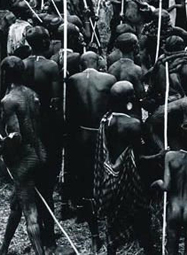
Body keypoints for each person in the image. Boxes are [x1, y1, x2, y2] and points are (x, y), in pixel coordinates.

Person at [0, 57, 47, 255]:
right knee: (18, 203)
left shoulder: (9, 101)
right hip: (39, 153)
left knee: (30, 212)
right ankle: (4, 247)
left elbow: (16, 136)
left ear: (5, 75)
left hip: (25, 159)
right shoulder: (33, 94)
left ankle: (39, 252)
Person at [64, 51, 117, 251]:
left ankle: (94, 234)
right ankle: (107, 232)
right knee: (108, 176)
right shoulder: (109, 78)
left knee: (85, 182)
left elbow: (69, 112)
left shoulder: (72, 80)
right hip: (102, 134)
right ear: (98, 63)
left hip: (80, 135)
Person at [93, 81, 153, 255]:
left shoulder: (107, 119)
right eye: (132, 95)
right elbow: (140, 157)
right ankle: (148, 248)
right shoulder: (133, 124)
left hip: (111, 176)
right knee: (141, 214)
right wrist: (160, 155)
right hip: (129, 178)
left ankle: (112, 249)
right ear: (129, 100)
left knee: (114, 217)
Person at [21, 26, 62, 250]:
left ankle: (40, 233)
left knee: (32, 180)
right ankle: (48, 233)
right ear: (45, 42)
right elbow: (56, 103)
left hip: (27, 126)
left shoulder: (22, 65)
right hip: (47, 128)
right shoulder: (51, 66)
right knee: (48, 181)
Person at [152, 122, 187, 255]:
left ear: (179, 138)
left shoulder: (170, 156)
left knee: (172, 249)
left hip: (174, 209)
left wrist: (156, 183)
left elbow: (166, 186)